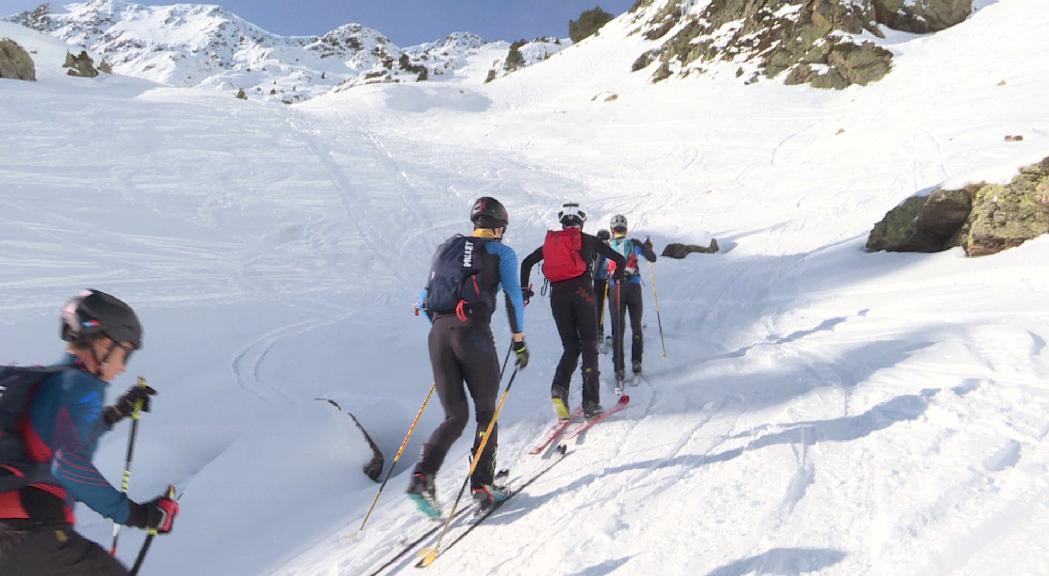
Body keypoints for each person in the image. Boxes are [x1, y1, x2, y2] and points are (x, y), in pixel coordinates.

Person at [0, 290, 178, 576]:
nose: (122, 367)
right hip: (32, 536)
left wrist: (116, 414)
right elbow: (67, 464)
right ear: (105, 343)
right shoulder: (82, 386)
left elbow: (56, 439)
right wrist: (135, 514)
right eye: (126, 352)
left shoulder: (55, 380)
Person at [408, 197, 529, 516]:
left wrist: (446, 335)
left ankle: (422, 477)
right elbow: (514, 298)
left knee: (455, 416)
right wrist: (519, 340)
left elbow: (425, 298)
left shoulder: (445, 247)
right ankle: (482, 485)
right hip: (472, 332)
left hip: (437, 335)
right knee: (486, 412)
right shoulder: (502, 252)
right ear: (500, 226)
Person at [520, 203, 625, 421]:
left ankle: (559, 389)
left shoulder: (552, 244)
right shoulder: (587, 240)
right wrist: (618, 276)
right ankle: (591, 403)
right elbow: (620, 259)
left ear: (562, 223)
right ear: (581, 222)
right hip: (583, 293)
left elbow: (526, 263)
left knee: (570, 347)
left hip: (558, 296)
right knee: (588, 345)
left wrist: (524, 290)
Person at [607, 214, 658, 387]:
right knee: (636, 325)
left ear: (612, 230)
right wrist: (648, 247)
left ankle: (619, 369)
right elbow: (652, 258)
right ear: (626, 229)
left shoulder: (607, 245)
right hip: (634, 288)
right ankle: (636, 363)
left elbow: (599, 269)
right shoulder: (635, 244)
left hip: (616, 289)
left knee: (618, 329)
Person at [592, 229, 614, 352]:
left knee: (599, 307)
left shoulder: (597, 248)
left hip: (601, 281)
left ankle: (599, 333)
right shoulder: (610, 248)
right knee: (610, 308)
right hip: (609, 281)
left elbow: (596, 266)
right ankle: (607, 333)